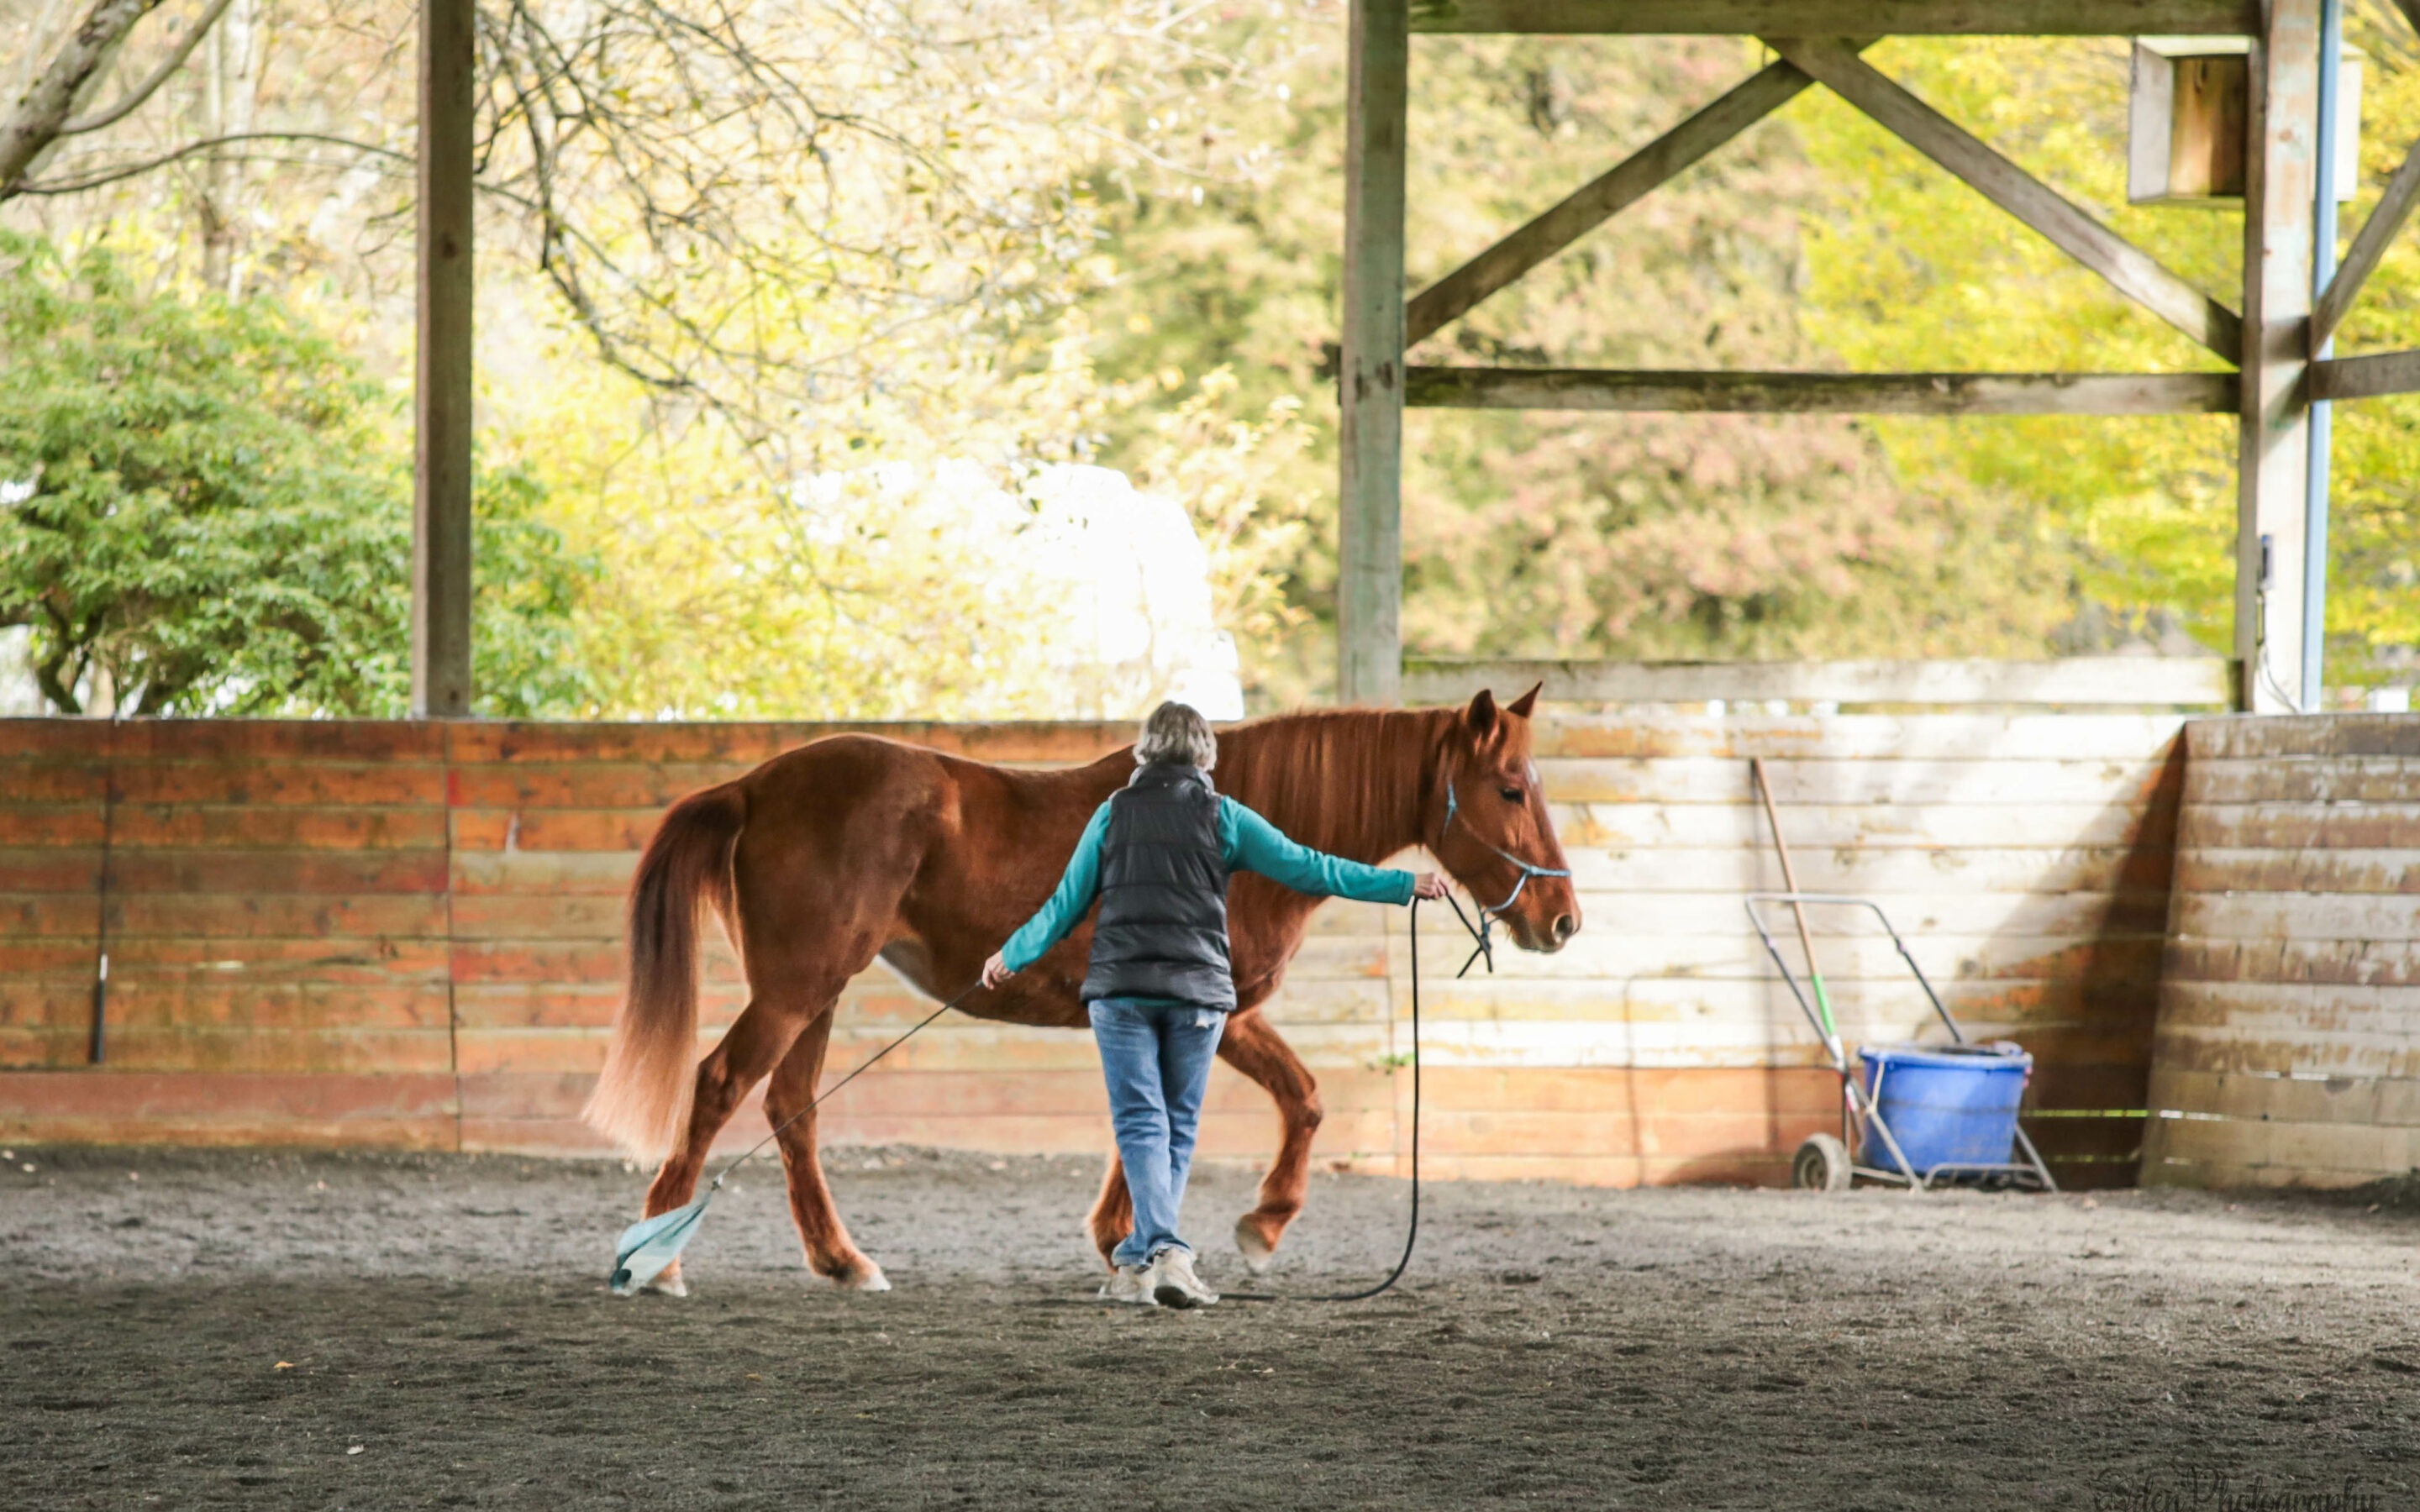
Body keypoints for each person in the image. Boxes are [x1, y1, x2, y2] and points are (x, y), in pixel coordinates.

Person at [981, 701, 1448, 1310]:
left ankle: (1143, 1259)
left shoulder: (1111, 816)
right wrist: (1401, 885)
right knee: (1176, 1126)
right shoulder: (1225, 817)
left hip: (1121, 994)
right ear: (1206, 754)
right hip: (1197, 996)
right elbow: (1311, 868)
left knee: (1141, 1123)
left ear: (1144, 751)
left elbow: (1064, 904)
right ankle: (1159, 1254)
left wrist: (1010, 955)